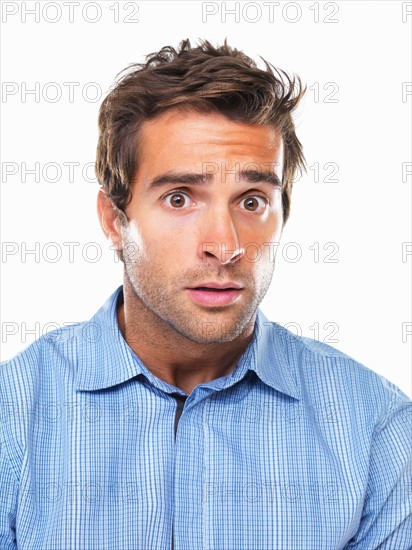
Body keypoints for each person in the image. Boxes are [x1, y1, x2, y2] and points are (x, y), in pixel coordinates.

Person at [0, 39, 411, 550]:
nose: (225, 245)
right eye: (179, 198)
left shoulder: (377, 428)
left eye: (253, 200)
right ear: (114, 220)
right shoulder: (14, 414)